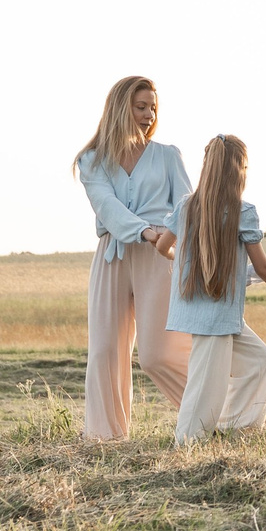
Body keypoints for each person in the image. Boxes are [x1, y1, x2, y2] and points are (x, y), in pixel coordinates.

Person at [73, 75, 191, 440]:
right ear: (120, 108)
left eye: (152, 107)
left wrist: (165, 238)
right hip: (112, 253)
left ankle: (214, 412)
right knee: (106, 349)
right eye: (141, 107)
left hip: (160, 254)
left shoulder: (168, 156)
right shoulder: (92, 161)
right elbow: (106, 206)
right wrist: (144, 231)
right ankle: (106, 438)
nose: (148, 115)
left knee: (159, 352)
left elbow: (187, 207)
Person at [168, 133, 266, 442]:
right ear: (240, 170)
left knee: (258, 360)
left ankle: (236, 428)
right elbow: (262, 266)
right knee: (206, 382)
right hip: (217, 314)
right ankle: (188, 441)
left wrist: (185, 260)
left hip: (214, 312)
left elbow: (160, 245)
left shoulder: (185, 207)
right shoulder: (242, 211)